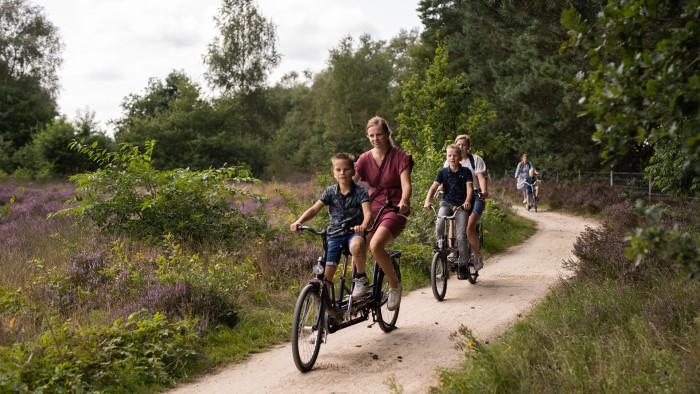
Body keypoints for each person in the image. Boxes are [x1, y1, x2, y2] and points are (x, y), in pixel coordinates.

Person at [290, 153, 372, 298]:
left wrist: (363, 226)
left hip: (354, 233)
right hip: (334, 235)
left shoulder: (360, 192)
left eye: (346, 169)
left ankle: (360, 279)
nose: (342, 173)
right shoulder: (330, 192)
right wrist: (299, 222)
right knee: (325, 280)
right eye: (338, 170)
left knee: (356, 246)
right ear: (334, 173)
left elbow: (368, 213)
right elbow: (314, 209)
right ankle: (327, 312)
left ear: (353, 172)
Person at [354, 116, 413, 311]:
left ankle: (394, 286)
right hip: (372, 206)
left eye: (379, 134)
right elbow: (350, 183)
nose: (375, 138)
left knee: (376, 244)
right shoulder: (364, 159)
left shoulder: (400, 157)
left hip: (395, 206)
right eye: (371, 135)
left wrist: (404, 201)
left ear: (387, 134)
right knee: (358, 242)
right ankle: (360, 281)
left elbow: (406, 184)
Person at [424, 144, 473, 279]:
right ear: (447, 157)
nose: (452, 158)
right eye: (449, 155)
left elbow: (469, 188)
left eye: (455, 155)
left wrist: (467, 201)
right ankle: (440, 246)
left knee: (461, 235)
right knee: (439, 222)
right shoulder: (442, 172)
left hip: (461, 206)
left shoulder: (466, 172)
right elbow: (433, 188)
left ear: (459, 157)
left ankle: (463, 264)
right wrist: (427, 201)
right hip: (446, 204)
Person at [453, 135, 488, 271]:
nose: (461, 147)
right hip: (459, 197)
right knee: (453, 223)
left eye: (464, 145)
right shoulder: (451, 160)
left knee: (469, 227)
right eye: (459, 144)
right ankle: (454, 253)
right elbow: (444, 178)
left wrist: (483, 190)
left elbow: (481, 177)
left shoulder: (475, 160)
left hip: (476, 196)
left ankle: (477, 255)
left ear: (468, 147)